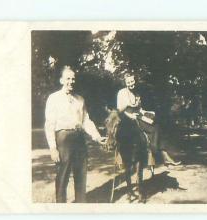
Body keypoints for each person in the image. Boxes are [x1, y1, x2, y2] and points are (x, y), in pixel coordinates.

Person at [44, 66, 106, 203]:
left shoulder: (80, 99)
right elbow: (49, 124)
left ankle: (80, 206)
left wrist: (97, 136)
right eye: (68, 78)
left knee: (81, 175)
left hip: (79, 139)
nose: (71, 81)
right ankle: (61, 208)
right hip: (63, 139)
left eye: (73, 79)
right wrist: (53, 148)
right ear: (61, 80)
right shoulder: (53, 98)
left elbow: (86, 121)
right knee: (62, 176)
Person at [117, 73, 181, 174]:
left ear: (135, 81)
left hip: (137, 116)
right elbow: (119, 109)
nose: (131, 84)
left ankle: (162, 154)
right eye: (128, 82)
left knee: (156, 125)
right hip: (126, 118)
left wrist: (147, 112)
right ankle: (159, 153)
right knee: (151, 129)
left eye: (132, 81)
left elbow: (139, 109)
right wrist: (128, 108)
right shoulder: (121, 93)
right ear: (125, 83)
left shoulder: (136, 94)